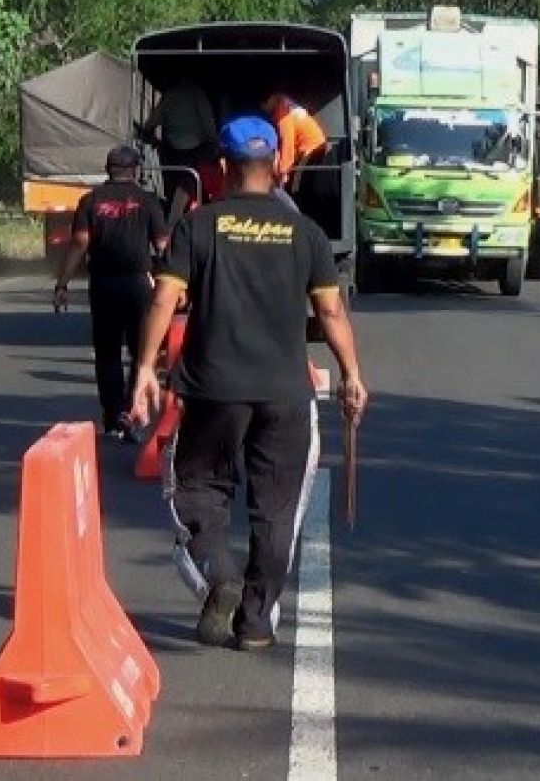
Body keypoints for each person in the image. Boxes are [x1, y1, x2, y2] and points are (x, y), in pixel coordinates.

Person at [129, 115, 366, 651]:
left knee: (197, 489)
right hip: (285, 392)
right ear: (279, 166)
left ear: (220, 168)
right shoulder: (305, 233)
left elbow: (165, 298)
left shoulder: (199, 225)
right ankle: (257, 623)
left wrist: (145, 367)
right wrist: (352, 375)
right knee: (276, 508)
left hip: (213, 389)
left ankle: (219, 573)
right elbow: (329, 311)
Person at [54, 145, 168, 441]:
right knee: (140, 351)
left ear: (108, 170)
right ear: (136, 170)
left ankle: (113, 416)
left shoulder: (90, 201)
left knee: (107, 353)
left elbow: (79, 243)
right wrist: (169, 284)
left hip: (103, 285)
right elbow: (163, 245)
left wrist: (62, 283)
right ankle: (133, 412)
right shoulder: (147, 201)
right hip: (138, 285)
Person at [141, 78, 219, 225]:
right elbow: (209, 126)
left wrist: (154, 139)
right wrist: (214, 145)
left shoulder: (170, 95)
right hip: (194, 152)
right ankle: (178, 223)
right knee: (188, 189)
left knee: (176, 193)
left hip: (171, 151)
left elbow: (151, 123)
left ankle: (173, 222)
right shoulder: (197, 94)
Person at [263, 93, 328, 193]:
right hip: (316, 145)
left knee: (298, 185)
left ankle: (297, 205)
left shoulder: (285, 119)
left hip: (311, 149)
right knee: (303, 182)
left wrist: (282, 173)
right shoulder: (288, 109)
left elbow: (287, 149)